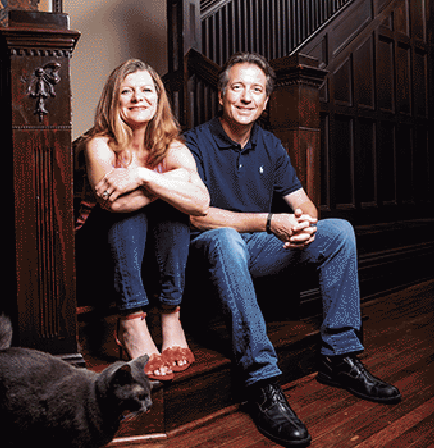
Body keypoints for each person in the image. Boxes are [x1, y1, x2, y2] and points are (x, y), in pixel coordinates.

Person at [184, 52, 401, 446]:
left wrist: (305, 223)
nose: (246, 98)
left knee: (338, 232)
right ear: (221, 96)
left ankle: (339, 356)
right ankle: (261, 380)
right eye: (237, 88)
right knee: (225, 238)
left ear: (266, 101)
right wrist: (270, 222)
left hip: (261, 249)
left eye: (257, 90)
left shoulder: (270, 145)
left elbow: (302, 201)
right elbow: (198, 217)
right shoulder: (193, 142)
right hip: (211, 252)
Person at [77, 59, 209, 381]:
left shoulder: (172, 146)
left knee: (171, 208)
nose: (138, 97)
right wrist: (166, 185)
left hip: (153, 251)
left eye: (146, 90)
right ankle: (132, 321)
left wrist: (139, 176)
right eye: (127, 91)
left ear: (158, 98)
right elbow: (112, 204)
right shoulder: (99, 144)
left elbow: (201, 202)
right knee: (138, 211)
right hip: (98, 250)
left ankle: (170, 317)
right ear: (114, 99)